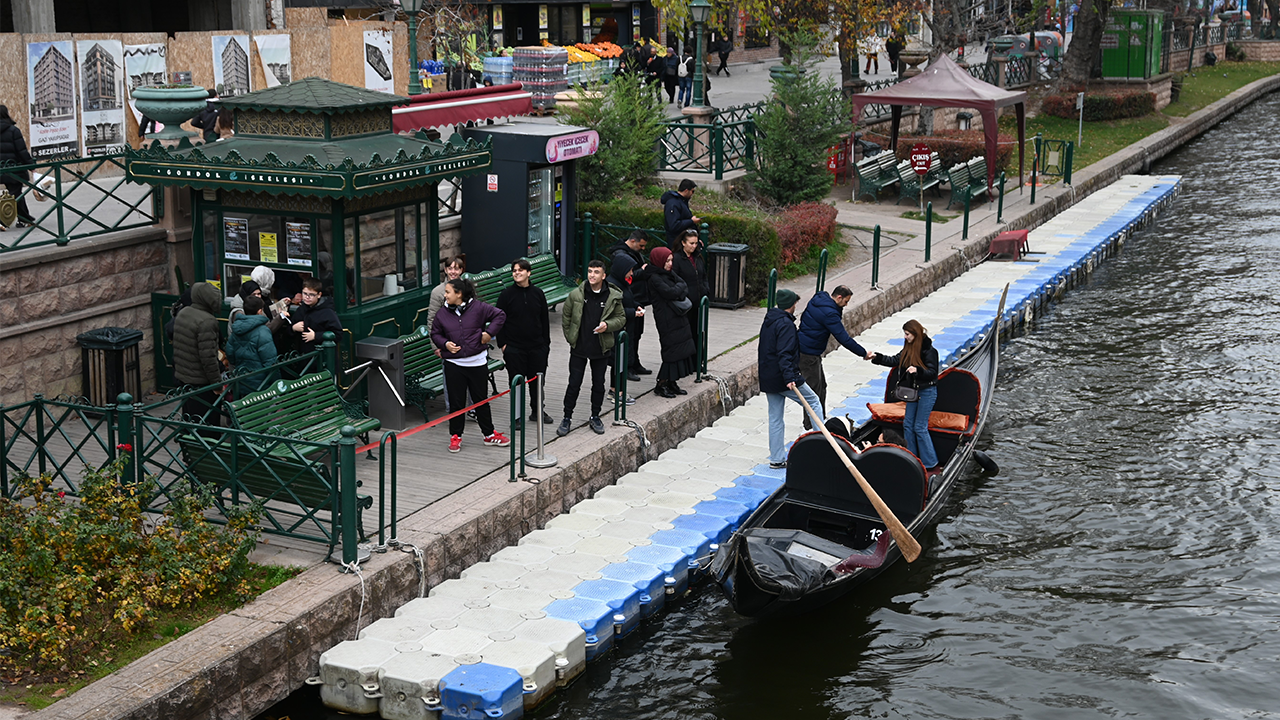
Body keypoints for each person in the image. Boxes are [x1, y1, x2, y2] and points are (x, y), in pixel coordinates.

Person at [431, 278, 510, 452]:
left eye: (448, 292)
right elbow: (435, 333)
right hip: (453, 364)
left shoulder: (479, 308)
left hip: (477, 363)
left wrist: (489, 334)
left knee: (481, 400)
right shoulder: (442, 313)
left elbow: (500, 315)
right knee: (456, 402)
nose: (445, 296)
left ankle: (489, 435)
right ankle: (456, 436)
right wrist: (445, 344)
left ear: (459, 294)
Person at [557, 260, 626, 437]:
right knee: (574, 383)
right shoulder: (576, 294)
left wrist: (607, 325)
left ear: (604, 275)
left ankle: (595, 416)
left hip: (601, 347)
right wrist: (570, 337)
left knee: (598, 384)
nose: (592, 275)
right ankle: (567, 417)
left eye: (596, 272)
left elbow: (621, 318)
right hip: (579, 346)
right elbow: (566, 317)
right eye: (589, 271)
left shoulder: (613, 296)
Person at [758, 289, 823, 469]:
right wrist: (789, 377)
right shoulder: (786, 325)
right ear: (791, 305)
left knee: (775, 417)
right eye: (795, 303)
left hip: (769, 377)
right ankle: (822, 448)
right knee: (813, 402)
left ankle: (777, 459)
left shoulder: (769, 320)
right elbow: (784, 353)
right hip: (784, 377)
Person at [870, 319, 940, 473]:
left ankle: (930, 463)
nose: (905, 337)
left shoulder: (930, 351)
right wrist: (877, 357)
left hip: (927, 392)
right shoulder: (908, 349)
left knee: (920, 427)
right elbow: (894, 360)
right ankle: (912, 457)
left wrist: (918, 371)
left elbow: (933, 373)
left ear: (915, 334)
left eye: (907, 334)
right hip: (914, 392)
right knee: (908, 424)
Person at [797, 285, 869, 430]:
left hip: (807, 349)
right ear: (839, 297)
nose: (846, 305)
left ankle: (819, 419)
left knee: (821, 386)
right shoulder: (830, 314)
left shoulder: (820, 298)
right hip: (807, 354)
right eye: (846, 301)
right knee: (813, 390)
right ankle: (811, 425)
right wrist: (863, 353)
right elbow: (843, 338)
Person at [496, 258, 553, 425]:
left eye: (521, 270)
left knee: (537, 382)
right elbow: (498, 320)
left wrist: (546, 344)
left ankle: (537, 411)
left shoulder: (538, 293)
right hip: (514, 348)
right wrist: (503, 345)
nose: (517, 273)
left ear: (529, 273)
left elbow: (544, 319)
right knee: (517, 382)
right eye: (514, 270)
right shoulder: (506, 295)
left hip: (537, 347)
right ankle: (517, 416)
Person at [637, 247, 695, 398]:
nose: (670, 264)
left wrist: (678, 289)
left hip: (677, 315)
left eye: (671, 260)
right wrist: (678, 290)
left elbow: (683, 284)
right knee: (671, 350)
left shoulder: (667, 273)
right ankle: (661, 384)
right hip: (666, 319)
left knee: (680, 347)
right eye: (667, 261)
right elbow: (671, 292)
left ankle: (672, 381)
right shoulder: (654, 277)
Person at [172, 281, 224, 425]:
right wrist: (217, 385)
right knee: (207, 424)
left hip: (185, 378)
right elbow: (208, 359)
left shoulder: (184, 313)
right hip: (201, 383)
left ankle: (189, 445)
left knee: (190, 419)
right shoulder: (207, 321)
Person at [606, 231, 651, 376]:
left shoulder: (632, 252)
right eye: (641, 245)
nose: (643, 249)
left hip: (635, 298)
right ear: (632, 241)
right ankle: (628, 367)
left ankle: (634, 362)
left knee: (636, 334)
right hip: (630, 298)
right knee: (628, 336)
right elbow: (627, 275)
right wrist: (641, 272)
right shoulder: (620, 255)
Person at [670, 228, 709, 368]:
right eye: (691, 243)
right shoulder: (677, 259)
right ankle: (689, 363)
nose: (694, 246)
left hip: (699, 301)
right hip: (686, 302)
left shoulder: (698, 257)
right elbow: (675, 279)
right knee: (687, 334)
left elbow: (703, 275)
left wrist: (705, 290)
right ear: (683, 243)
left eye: (695, 243)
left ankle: (698, 360)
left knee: (698, 332)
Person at [225, 295, 279, 392]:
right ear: (259, 311)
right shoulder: (263, 331)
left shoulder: (236, 329)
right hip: (261, 383)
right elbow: (270, 361)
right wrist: (277, 382)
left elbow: (230, 353)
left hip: (241, 378)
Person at [606, 257, 645, 386]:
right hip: (617, 329)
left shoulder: (622, 283)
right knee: (618, 361)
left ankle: (617, 391)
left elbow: (627, 300)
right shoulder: (613, 286)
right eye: (630, 270)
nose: (632, 273)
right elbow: (615, 309)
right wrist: (633, 313)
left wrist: (636, 305)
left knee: (620, 361)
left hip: (625, 327)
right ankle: (616, 392)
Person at [283, 278, 342, 355]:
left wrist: (315, 336)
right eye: (305, 293)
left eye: (311, 295)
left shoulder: (328, 312)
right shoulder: (301, 310)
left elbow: (338, 334)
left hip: (321, 358)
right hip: (302, 356)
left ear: (319, 295)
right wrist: (293, 328)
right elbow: (286, 332)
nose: (307, 297)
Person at [0, 105, 35, 228]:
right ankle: (22, 219)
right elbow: (21, 151)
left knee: (16, 194)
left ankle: (24, 218)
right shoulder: (13, 130)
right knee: (16, 194)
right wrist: (30, 164)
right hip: (14, 167)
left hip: (1, 167)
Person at [428, 255, 467, 334]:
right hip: (447, 336)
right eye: (450, 268)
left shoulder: (467, 287)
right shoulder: (437, 292)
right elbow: (432, 319)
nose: (453, 272)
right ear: (445, 270)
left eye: (456, 269)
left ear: (461, 270)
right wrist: (436, 345)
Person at [661, 179, 701, 247]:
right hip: (678, 243)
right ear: (686, 190)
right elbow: (674, 225)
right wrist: (691, 221)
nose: (692, 194)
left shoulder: (681, 201)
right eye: (692, 191)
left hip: (683, 241)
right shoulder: (673, 203)